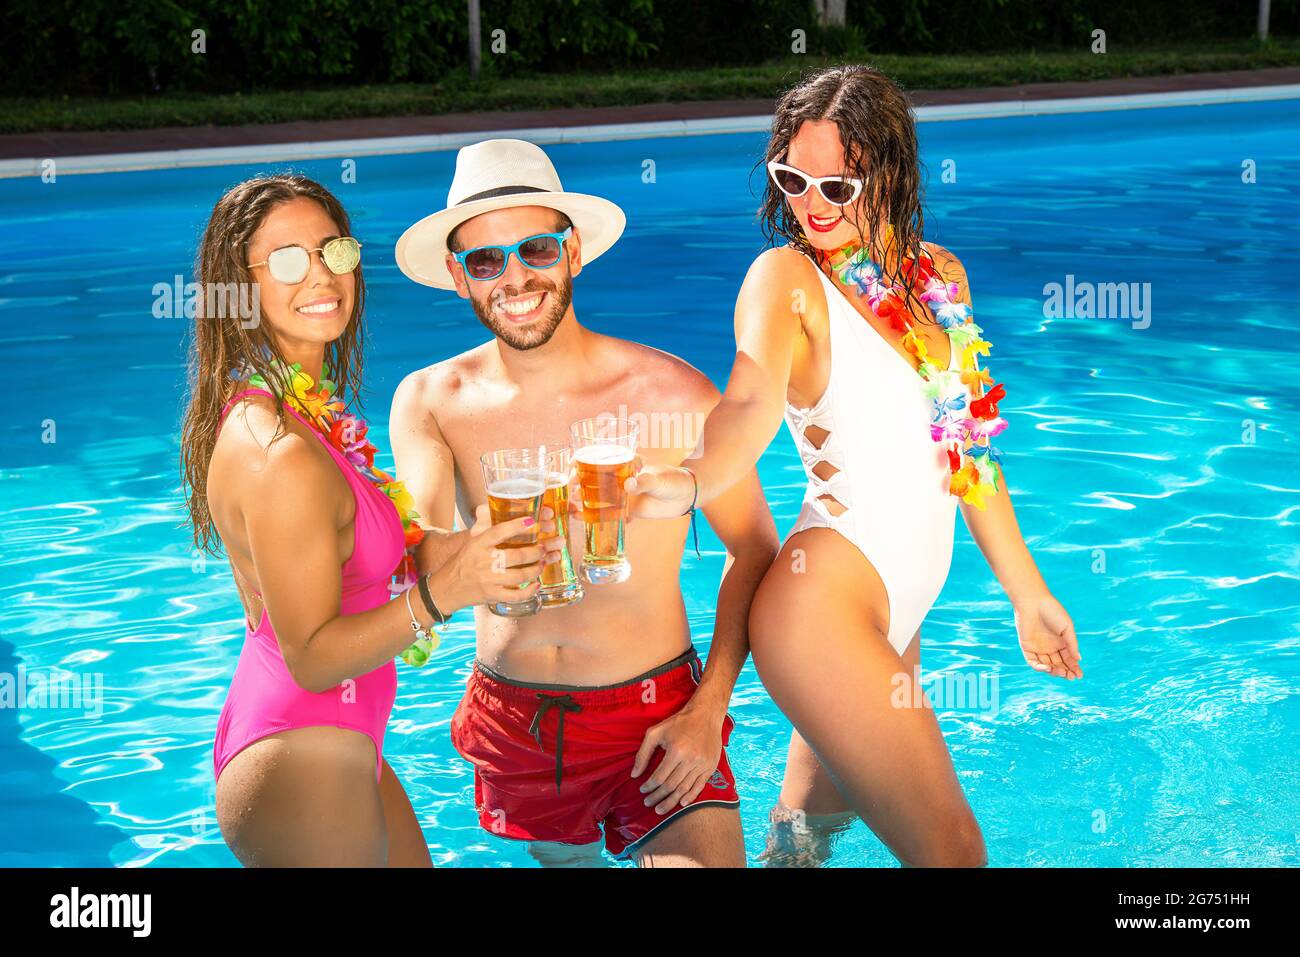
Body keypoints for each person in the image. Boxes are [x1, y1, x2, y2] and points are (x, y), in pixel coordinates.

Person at [628, 65, 1084, 866]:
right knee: (954, 851)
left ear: (890, 172)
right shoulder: (788, 280)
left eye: (838, 185)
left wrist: (1028, 592)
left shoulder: (940, 279)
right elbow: (747, 402)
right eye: (793, 179)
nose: (812, 205)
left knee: (807, 832)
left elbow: (970, 447)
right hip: (822, 607)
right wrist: (695, 480)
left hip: (895, 612)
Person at [390, 139, 779, 867]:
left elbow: (755, 548)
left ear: (573, 252)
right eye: (485, 260)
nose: (514, 277)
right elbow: (422, 546)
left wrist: (708, 707)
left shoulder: (673, 394)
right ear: (458, 278)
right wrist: (462, 553)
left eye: (535, 248)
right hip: (518, 724)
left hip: (658, 718)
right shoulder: (430, 401)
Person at [181, 174, 553, 866]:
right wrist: (449, 592)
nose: (321, 275)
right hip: (299, 752)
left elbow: (358, 561)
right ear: (240, 291)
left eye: (333, 251)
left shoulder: (305, 412)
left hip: (344, 741)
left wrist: (470, 549)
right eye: (287, 260)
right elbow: (314, 657)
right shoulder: (278, 453)